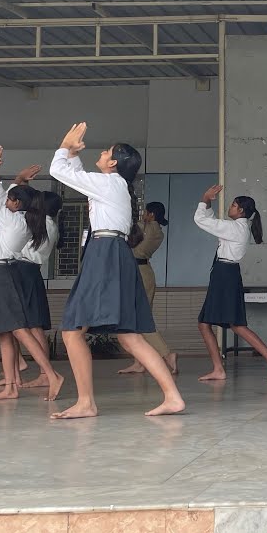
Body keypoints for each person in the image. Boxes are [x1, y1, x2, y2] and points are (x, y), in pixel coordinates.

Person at [49, 123, 185, 419]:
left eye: (107, 152)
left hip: (104, 253)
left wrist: (64, 146)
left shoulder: (109, 184)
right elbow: (79, 179)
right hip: (116, 253)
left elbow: (59, 173)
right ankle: (173, 397)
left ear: (112, 163)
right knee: (130, 336)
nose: (101, 152)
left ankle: (86, 402)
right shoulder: (115, 185)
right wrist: (73, 153)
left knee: (72, 330)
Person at [0, 147, 65, 403]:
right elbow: (2, 197)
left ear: (17, 204)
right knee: (6, 332)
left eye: (11, 200)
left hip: (2, 271)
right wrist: (1, 174)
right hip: (3, 270)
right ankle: (12, 386)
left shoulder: (13, 221)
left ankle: (51, 374)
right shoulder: (22, 220)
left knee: (20, 330)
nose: (6, 203)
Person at [194, 185, 267, 382]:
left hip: (224, 275)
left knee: (220, 324)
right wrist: (207, 201)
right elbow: (210, 222)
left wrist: (205, 197)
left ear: (241, 211)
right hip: (226, 273)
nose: (230, 208)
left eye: (233, 205)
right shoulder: (237, 227)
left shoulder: (234, 228)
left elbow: (201, 220)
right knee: (226, 324)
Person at [118, 202, 179, 375]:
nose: (143, 214)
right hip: (146, 273)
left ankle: (167, 354)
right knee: (140, 319)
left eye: (145, 212)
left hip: (135, 273)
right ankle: (139, 362)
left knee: (139, 319)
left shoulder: (143, 226)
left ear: (151, 214)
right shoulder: (159, 232)